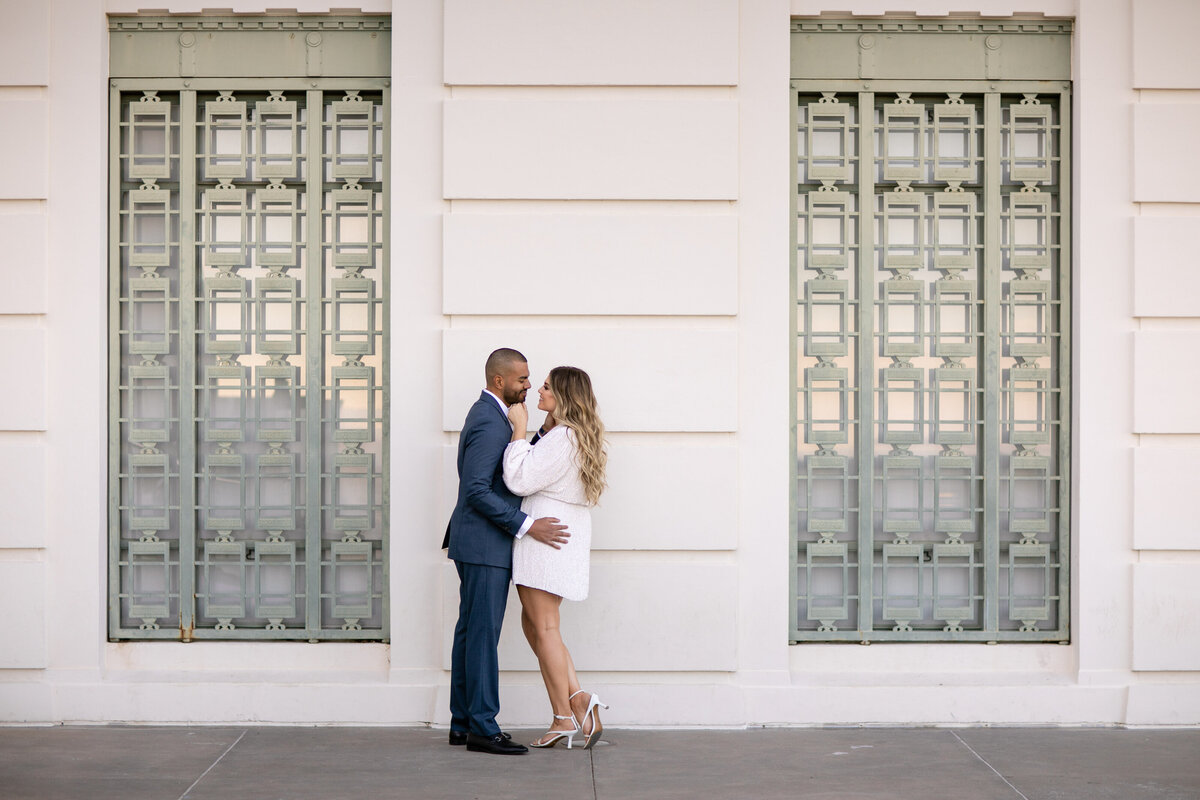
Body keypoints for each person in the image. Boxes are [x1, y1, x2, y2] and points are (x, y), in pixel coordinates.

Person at [444, 348, 570, 756]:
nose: (529, 385)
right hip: (484, 543)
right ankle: (483, 727)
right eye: (522, 380)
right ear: (500, 381)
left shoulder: (498, 416)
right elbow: (477, 489)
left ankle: (463, 723)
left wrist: (535, 434)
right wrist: (528, 526)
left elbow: (508, 471)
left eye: (531, 379)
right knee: (481, 636)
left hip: (480, 542)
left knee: (470, 633)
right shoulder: (488, 418)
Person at [503, 366, 609, 750]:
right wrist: (539, 429)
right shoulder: (567, 435)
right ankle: (579, 700)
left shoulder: (564, 437)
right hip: (558, 538)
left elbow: (518, 479)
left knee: (543, 628)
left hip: (544, 540)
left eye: (546, 387)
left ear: (563, 395)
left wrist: (518, 431)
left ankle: (565, 715)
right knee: (537, 626)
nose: (537, 391)